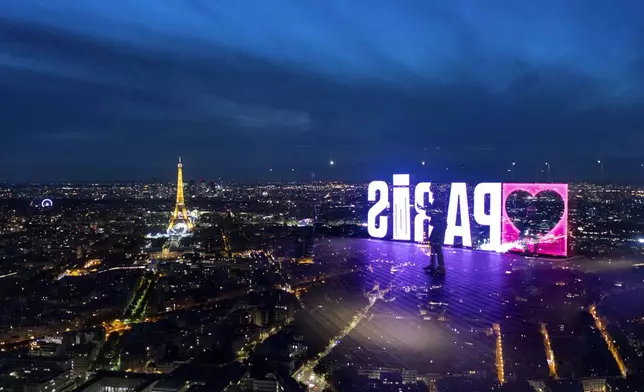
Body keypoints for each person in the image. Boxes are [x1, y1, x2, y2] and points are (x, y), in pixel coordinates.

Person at [424, 199, 447, 275]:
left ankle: (441, 267)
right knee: (433, 245)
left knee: (437, 246)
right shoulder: (438, 200)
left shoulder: (439, 201)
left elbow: (435, 214)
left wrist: (429, 209)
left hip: (439, 226)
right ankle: (434, 265)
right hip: (439, 226)